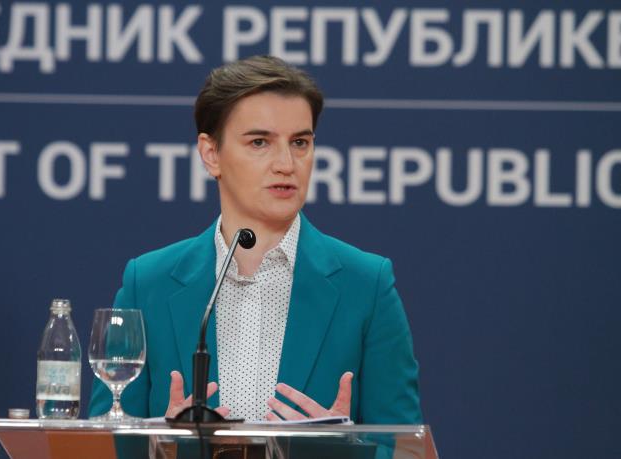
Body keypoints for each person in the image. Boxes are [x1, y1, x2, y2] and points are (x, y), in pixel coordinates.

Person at [89, 55, 421, 424]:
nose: (286, 164)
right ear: (211, 154)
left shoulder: (366, 285)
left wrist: (345, 445)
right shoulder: (148, 283)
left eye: (300, 142)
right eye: (260, 142)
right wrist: (158, 441)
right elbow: (102, 438)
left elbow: (405, 445)